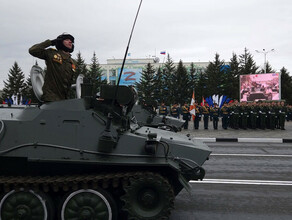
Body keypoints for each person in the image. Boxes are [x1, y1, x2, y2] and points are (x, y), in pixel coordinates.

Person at [29, 33, 77, 102]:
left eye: (71, 41)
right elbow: (33, 50)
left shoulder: (72, 62)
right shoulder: (52, 54)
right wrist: (50, 42)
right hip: (51, 98)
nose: (70, 42)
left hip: (64, 100)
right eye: (67, 40)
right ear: (60, 42)